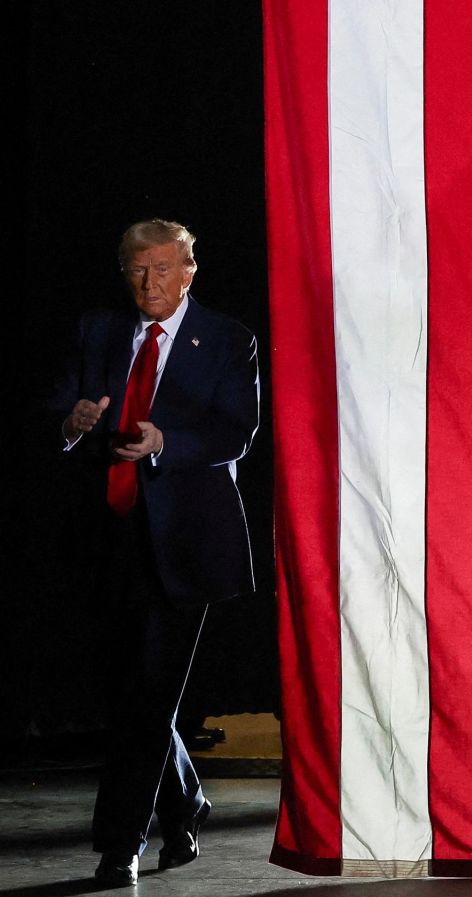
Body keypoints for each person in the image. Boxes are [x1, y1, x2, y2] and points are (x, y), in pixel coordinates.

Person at [51, 219, 259, 887]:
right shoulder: (99, 329)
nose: (150, 282)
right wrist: (72, 422)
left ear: (189, 272)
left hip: (188, 542)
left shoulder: (228, 339)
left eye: (164, 269)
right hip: (111, 534)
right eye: (139, 270)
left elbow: (237, 430)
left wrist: (166, 441)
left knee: (150, 694)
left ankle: (120, 843)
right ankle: (188, 800)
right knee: (127, 693)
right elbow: (56, 401)